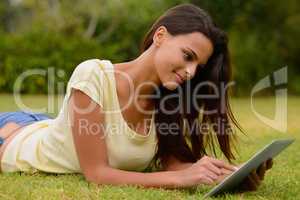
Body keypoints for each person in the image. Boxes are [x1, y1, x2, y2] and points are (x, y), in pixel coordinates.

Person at [0, 3, 272, 191]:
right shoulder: (93, 75)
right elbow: (97, 174)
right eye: (187, 56)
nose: (190, 72)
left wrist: (230, 174)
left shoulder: (167, 101)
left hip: (49, 127)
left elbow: (174, 164)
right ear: (161, 36)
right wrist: (180, 180)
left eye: (197, 66)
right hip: (14, 138)